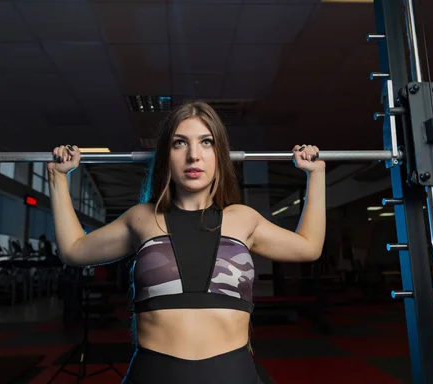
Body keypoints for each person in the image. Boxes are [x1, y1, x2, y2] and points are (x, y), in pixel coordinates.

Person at [47, 101, 326, 384]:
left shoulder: (243, 219)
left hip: (233, 375)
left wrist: (315, 176)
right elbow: (73, 250)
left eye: (206, 142)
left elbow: (309, 246)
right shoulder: (143, 218)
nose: (194, 156)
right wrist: (58, 179)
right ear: (167, 155)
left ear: (220, 155)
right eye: (180, 143)